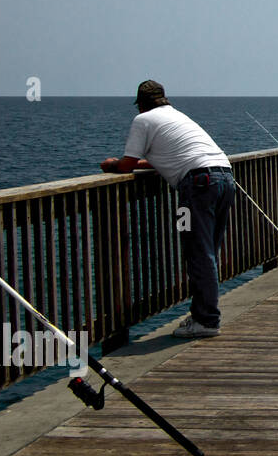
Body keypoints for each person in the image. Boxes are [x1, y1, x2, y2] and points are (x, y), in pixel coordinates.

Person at [100, 80, 233, 339]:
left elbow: (127, 165)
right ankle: (201, 313)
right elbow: (171, 156)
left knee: (198, 252)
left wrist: (112, 164)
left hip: (197, 184)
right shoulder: (177, 116)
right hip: (224, 177)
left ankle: (206, 320)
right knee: (208, 251)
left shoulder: (143, 120)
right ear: (164, 99)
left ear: (140, 104)